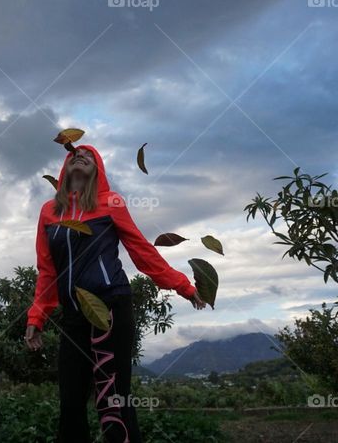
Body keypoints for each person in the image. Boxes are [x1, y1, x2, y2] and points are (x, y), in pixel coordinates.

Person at [24, 144, 207, 442]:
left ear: (98, 170)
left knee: (113, 399)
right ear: (64, 169)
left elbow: (141, 250)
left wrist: (183, 285)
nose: (80, 156)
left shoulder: (111, 203)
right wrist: (37, 317)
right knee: (70, 401)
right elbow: (47, 270)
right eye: (74, 155)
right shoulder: (49, 212)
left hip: (110, 308)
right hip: (73, 315)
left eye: (89, 156)